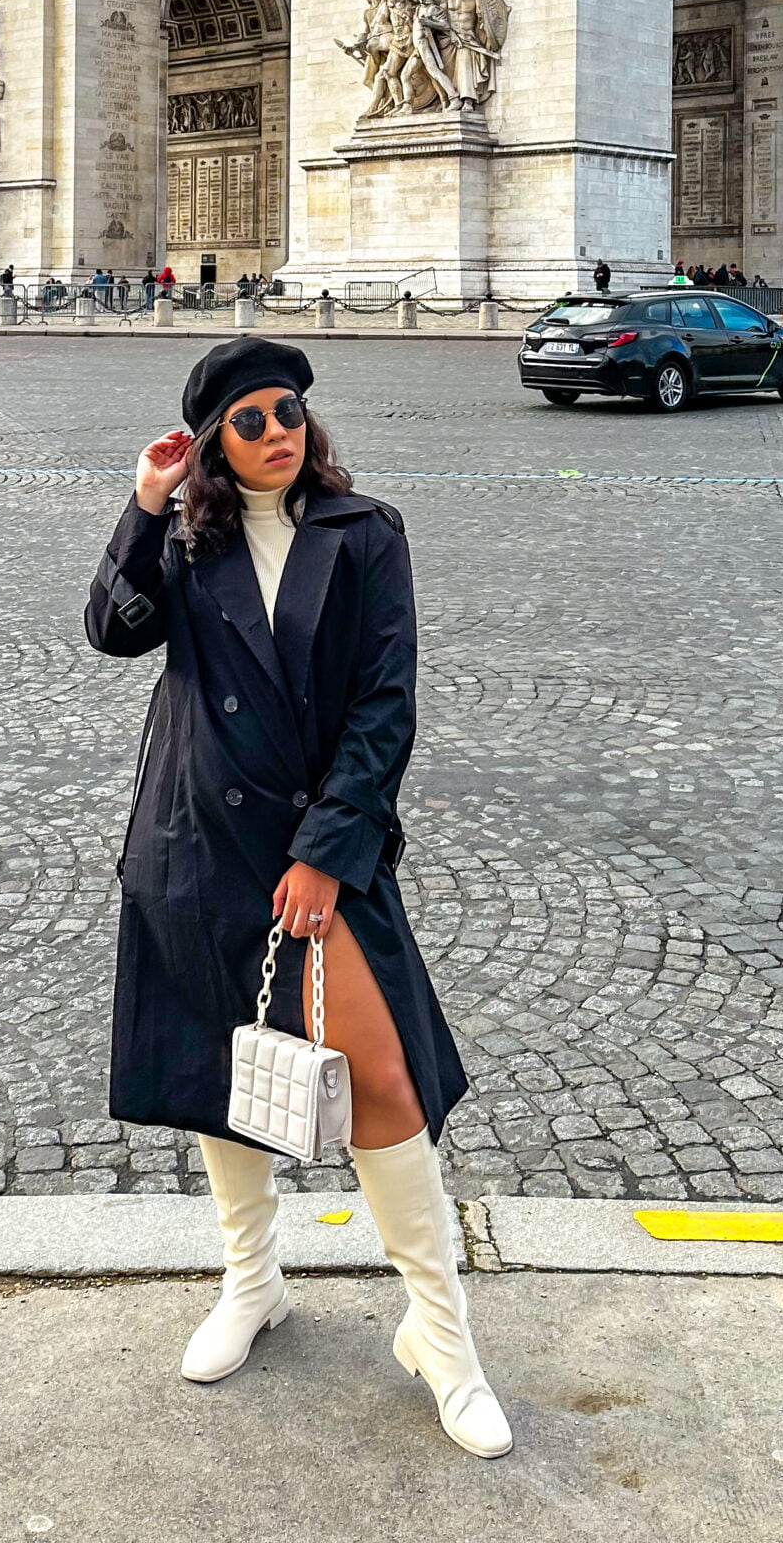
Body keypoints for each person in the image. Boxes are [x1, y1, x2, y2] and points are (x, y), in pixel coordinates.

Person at [86, 337, 509, 1459]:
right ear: (216, 447)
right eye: (254, 420)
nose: (282, 431)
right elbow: (111, 629)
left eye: (292, 412)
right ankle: (252, 1280)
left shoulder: (364, 534)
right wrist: (143, 502)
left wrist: (328, 848)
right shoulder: (183, 541)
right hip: (196, 839)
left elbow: (386, 703)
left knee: (381, 1082)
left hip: (318, 848)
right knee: (226, 1073)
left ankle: (441, 1336)